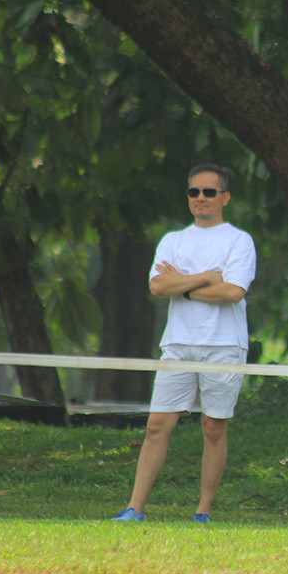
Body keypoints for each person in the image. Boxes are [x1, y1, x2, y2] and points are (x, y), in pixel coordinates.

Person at [112, 164, 256, 523]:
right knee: (157, 425)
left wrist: (183, 286)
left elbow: (233, 292)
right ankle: (135, 508)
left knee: (214, 427)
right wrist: (206, 278)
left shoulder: (239, 240)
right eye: (194, 192)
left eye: (209, 192)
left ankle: (203, 511)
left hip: (223, 344)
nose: (200, 198)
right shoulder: (172, 240)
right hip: (177, 343)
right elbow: (158, 286)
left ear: (225, 197)